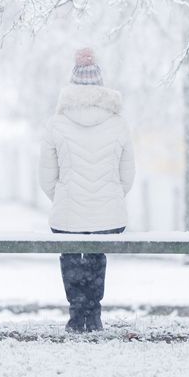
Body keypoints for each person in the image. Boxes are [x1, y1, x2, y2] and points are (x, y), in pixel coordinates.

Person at [39, 48, 136, 333]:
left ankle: (76, 313)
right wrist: (110, 198)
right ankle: (93, 315)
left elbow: (46, 175)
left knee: (70, 255)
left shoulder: (56, 123)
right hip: (109, 216)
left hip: (67, 213)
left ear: (72, 86)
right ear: (100, 86)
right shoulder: (118, 123)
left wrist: (63, 197)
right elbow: (126, 175)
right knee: (96, 255)